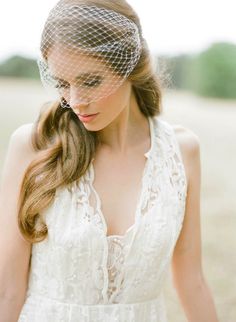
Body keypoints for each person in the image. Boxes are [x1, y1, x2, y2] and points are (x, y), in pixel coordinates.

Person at [0, 0, 220, 321]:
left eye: (91, 81)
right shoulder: (32, 146)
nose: (75, 101)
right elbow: (7, 288)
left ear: (130, 64)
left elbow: (192, 281)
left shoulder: (182, 152)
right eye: (62, 83)